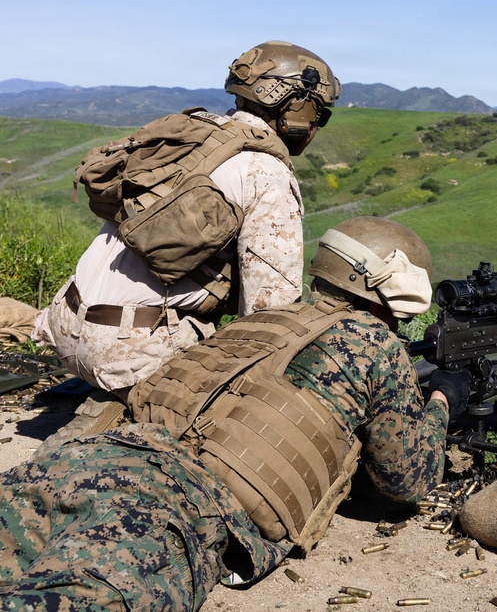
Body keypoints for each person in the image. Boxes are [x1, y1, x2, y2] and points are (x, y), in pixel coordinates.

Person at [0, 217, 470, 610]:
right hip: (174, 503)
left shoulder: (264, 320)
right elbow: (406, 478)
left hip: (82, 459)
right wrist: (442, 399)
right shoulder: (375, 342)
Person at [31, 40, 340, 440]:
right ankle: (124, 409)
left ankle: (117, 385)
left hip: (64, 323)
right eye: (320, 114)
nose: (317, 126)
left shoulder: (194, 132)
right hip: (123, 352)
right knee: (254, 382)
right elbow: (270, 316)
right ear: (297, 109)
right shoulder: (267, 173)